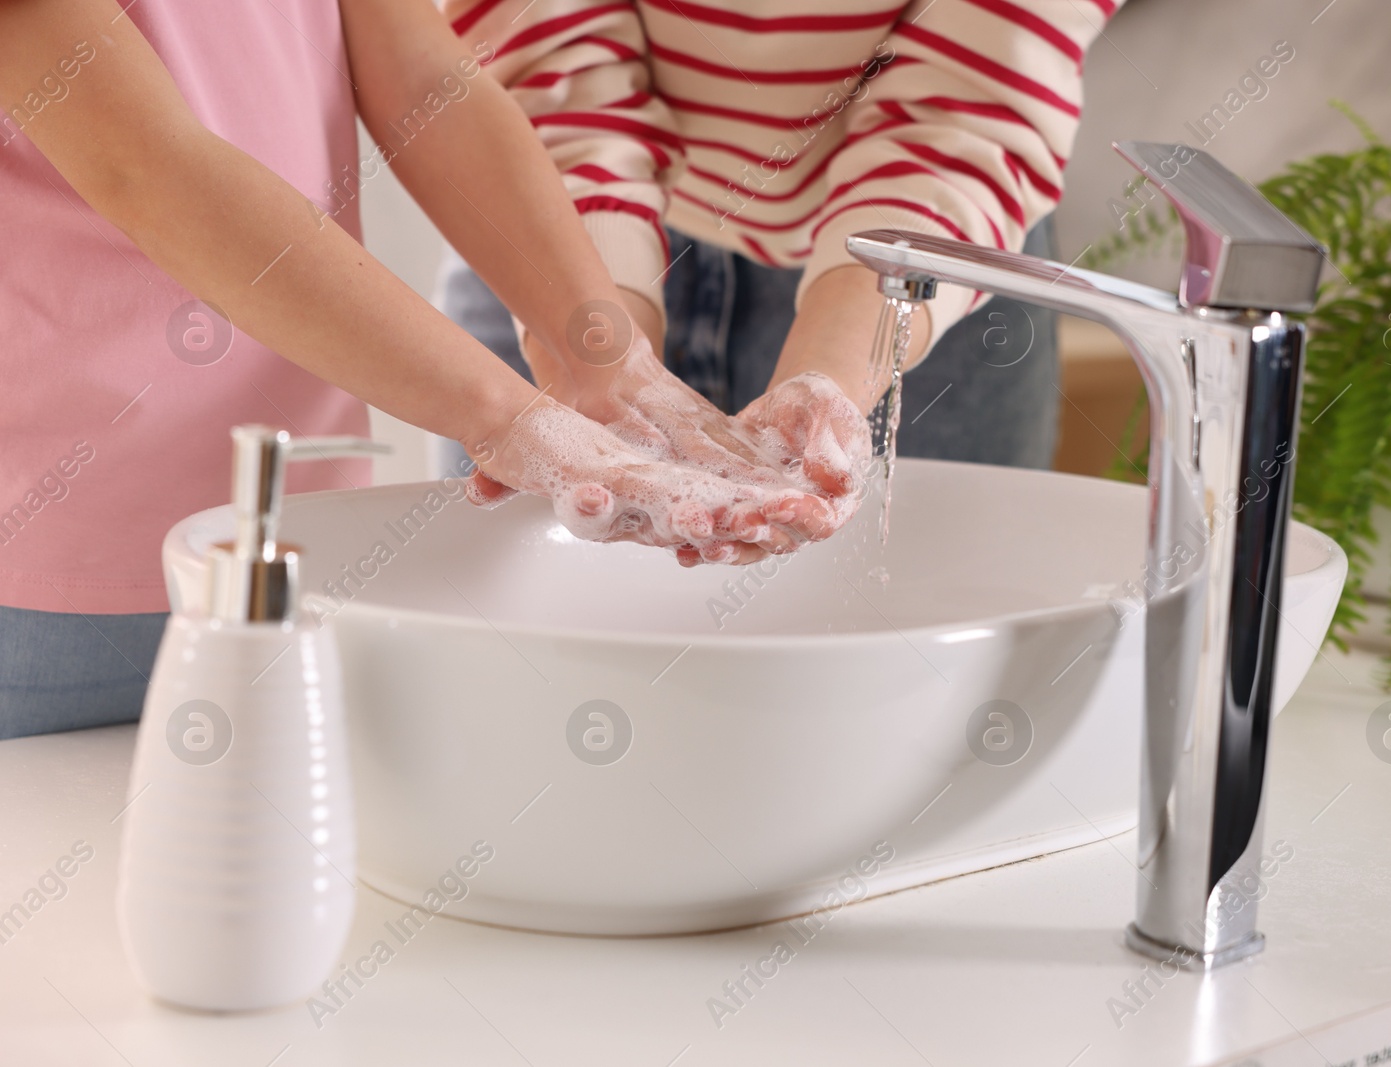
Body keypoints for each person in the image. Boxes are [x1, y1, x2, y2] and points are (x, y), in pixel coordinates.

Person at [0, 0, 866, 739]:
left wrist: (609, 361)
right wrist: (511, 419)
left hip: (300, 537)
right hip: (41, 569)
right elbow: (148, 167)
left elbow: (425, 82)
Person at [435, 0, 1122, 470]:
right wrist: (598, 360)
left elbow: (971, 96)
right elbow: (552, 58)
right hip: (561, 235)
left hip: (925, 267)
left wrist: (825, 383)